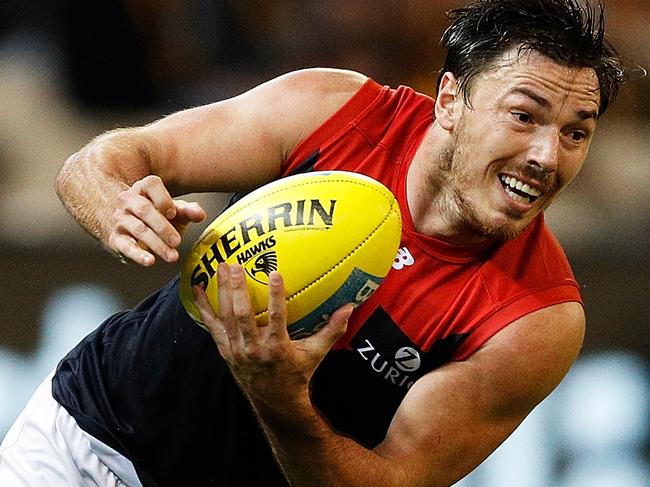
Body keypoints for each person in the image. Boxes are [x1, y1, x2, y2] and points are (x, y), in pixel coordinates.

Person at [0, 0, 626, 486]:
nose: (548, 155)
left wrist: (282, 399)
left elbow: (389, 481)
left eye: (577, 133)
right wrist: (112, 204)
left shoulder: (535, 321)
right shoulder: (334, 111)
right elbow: (111, 157)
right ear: (451, 100)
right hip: (83, 438)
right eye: (524, 116)